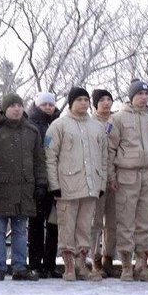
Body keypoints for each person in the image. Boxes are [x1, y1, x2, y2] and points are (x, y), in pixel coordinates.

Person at [46, 88, 112, 281]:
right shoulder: (58, 126)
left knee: (85, 226)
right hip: (67, 186)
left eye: (86, 99)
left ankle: (82, 265)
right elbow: (50, 157)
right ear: (71, 102)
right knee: (67, 227)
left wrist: (101, 184)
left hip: (91, 186)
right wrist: (54, 184)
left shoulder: (97, 127)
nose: (83, 103)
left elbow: (103, 157)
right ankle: (69, 267)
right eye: (79, 100)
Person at [0, 93, 47, 281]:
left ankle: (19, 267)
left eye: (19, 105)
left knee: (20, 230)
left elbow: (39, 160)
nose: (16, 109)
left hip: (24, 188)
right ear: (5, 108)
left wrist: (41, 183)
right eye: (12, 106)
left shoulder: (32, 131)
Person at [108, 81, 148, 282]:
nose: (143, 97)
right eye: (139, 93)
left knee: (146, 222)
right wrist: (111, 176)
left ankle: (141, 265)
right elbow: (110, 150)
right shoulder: (118, 119)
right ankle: (126, 265)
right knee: (126, 220)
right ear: (131, 96)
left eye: (146, 93)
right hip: (127, 175)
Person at [26, 92, 61, 278]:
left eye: (51, 104)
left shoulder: (59, 124)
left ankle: (50, 264)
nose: (48, 107)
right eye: (44, 104)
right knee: (36, 224)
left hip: (56, 181)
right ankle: (35, 263)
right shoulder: (31, 126)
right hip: (38, 181)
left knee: (54, 225)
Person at [89, 88, 119, 276]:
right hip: (96, 177)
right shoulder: (90, 123)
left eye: (109, 99)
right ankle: (95, 259)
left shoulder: (117, 121)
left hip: (116, 177)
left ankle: (109, 259)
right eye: (102, 100)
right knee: (95, 221)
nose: (106, 103)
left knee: (113, 222)